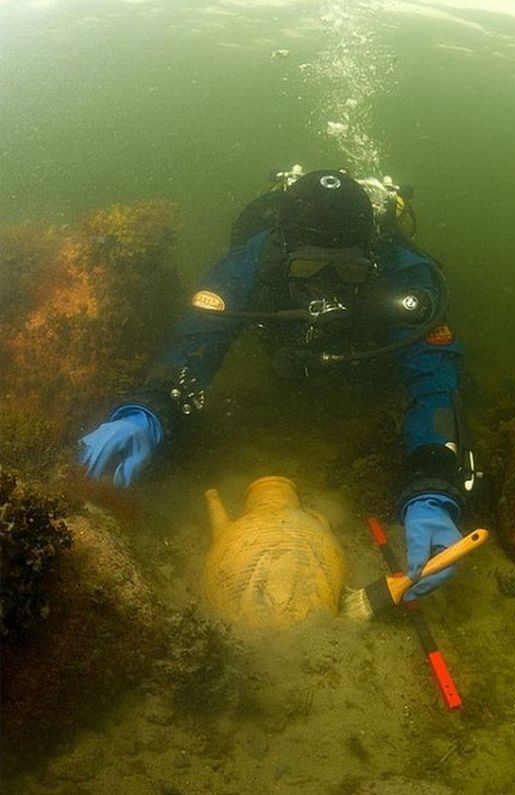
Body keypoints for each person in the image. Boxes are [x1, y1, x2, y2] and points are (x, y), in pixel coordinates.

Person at [79, 168, 478, 600]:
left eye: (346, 271)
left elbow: (433, 377)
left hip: (366, 374)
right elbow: (199, 337)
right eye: (308, 267)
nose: (326, 287)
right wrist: (150, 411)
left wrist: (433, 481)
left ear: (372, 258)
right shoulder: (252, 261)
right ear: (283, 253)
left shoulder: (402, 274)